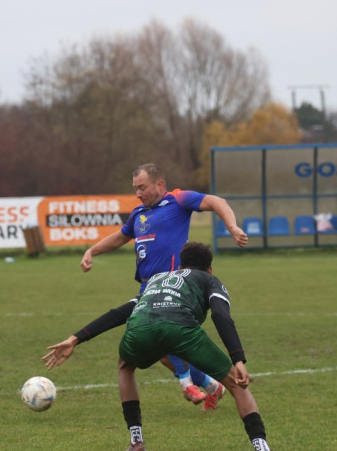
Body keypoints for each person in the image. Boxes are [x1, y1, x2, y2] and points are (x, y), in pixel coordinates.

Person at [43, 242, 297, 451]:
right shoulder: (210, 280)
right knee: (236, 383)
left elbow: (121, 312)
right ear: (209, 268)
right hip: (181, 330)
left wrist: (77, 338)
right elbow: (220, 315)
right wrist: (238, 359)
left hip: (140, 328)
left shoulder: (157, 279)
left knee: (125, 366)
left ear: (181, 263)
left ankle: (136, 442)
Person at [79, 163, 248, 411]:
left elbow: (216, 202)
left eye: (142, 187)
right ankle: (213, 386)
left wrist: (232, 226)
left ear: (159, 184)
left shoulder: (178, 200)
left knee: (166, 341)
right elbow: (120, 237)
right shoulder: (138, 214)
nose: (138, 193)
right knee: (159, 350)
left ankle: (188, 384)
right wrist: (92, 250)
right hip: (147, 291)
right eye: (135, 188)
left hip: (176, 290)